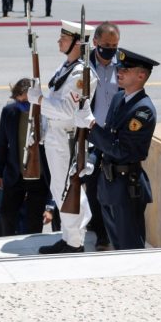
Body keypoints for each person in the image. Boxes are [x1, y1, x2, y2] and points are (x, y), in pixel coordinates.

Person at [74, 49, 157, 251]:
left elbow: (121, 150)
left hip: (127, 187)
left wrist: (91, 125)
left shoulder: (143, 110)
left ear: (141, 75)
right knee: (117, 247)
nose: (119, 72)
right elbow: (107, 136)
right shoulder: (119, 98)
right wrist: (91, 160)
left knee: (130, 248)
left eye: (125, 70)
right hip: (109, 185)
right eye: (119, 68)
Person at [29, 19, 97, 254]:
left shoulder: (82, 74)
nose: (59, 41)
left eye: (64, 38)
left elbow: (67, 110)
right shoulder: (66, 67)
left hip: (66, 138)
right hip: (55, 135)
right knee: (60, 188)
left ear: (77, 43)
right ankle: (70, 237)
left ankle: (75, 241)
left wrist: (39, 100)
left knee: (67, 188)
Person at [0, 79, 48, 236]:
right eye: (20, 101)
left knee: (34, 218)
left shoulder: (45, 112)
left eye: (26, 101)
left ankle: (33, 245)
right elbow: (1, 142)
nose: (23, 105)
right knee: (6, 213)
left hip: (39, 175)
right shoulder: (9, 112)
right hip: (16, 173)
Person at [87, 21, 121, 250]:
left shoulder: (124, 64)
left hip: (116, 136)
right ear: (95, 41)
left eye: (114, 45)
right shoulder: (84, 65)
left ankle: (113, 229)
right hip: (91, 135)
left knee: (115, 186)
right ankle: (100, 233)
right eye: (106, 44)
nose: (110, 49)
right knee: (92, 187)